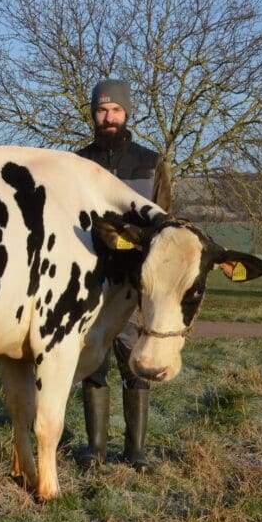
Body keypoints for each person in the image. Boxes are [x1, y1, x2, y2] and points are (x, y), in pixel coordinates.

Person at [74, 79, 171, 470]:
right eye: (101, 110)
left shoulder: (151, 163)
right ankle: (95, 450)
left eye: (115, 110)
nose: (108, 116)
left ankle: (136, 454)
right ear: (93, 114)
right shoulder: (77, 164)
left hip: (134, 282)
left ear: (127, 113)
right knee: (93, 362)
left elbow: (165, 225)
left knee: (135, 361)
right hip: (89, 278)